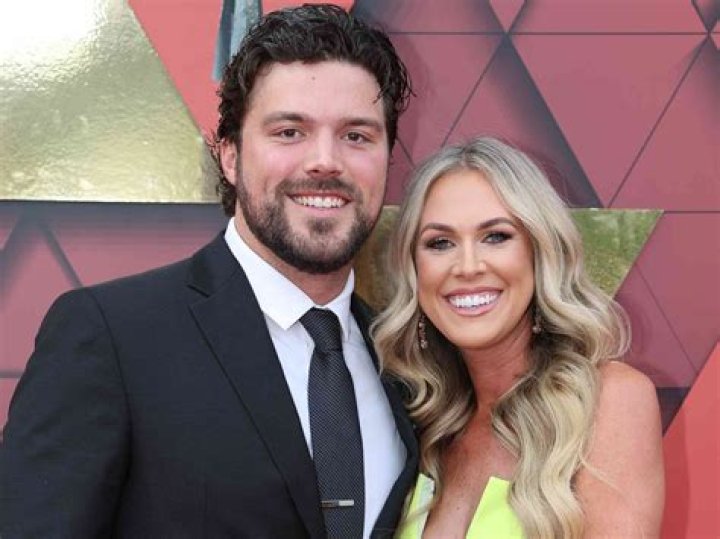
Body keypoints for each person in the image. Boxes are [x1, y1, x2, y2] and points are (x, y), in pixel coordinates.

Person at [0, 5, 418, 538]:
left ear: (386, 159)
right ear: (230, 156)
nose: (325, 161)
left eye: (356, 136)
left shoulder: (408, 367)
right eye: (289, 131)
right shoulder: (112, 338)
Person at [372, 137, 664, 538]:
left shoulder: (606, 400)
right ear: (414, 269)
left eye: (496, 236)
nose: (468, 266)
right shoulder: (421, 426)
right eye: (440, 243)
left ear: (539, 252)